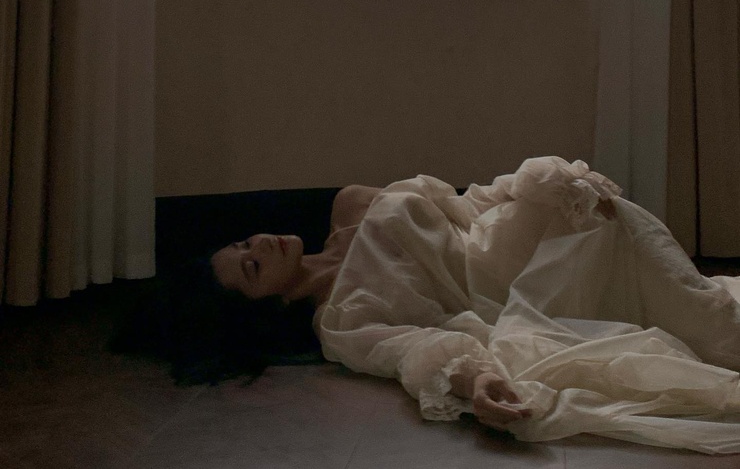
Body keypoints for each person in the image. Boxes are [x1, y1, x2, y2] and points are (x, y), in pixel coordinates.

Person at [121, 158, 740, 453]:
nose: (258, 244)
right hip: (533, 293)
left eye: (242, 244)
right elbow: (415, 350)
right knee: (720, 334)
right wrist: (477, 381)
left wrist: (536, 185)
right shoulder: (341, 320)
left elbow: (467, 205)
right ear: (265, 308)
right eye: (252, 267)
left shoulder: (348, 205)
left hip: (538, 229)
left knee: (619, 223)